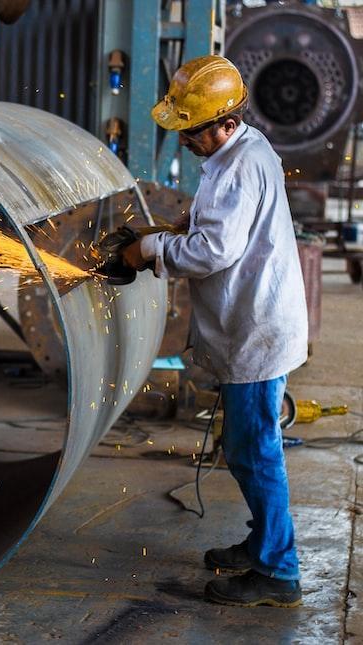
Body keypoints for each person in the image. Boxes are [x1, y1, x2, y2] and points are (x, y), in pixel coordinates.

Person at [121, 55, 309, 608]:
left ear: (225, 122)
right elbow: (221, 224)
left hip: (256, 330)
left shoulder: (241, 163)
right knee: (246, 447)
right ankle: (264, 543)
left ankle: (279, 571)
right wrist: (182, 224)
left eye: (191, 129)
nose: (184, 139)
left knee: (255, 450)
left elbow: (215, 251)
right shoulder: (239, 152)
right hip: (253, 323)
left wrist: (148, 249)